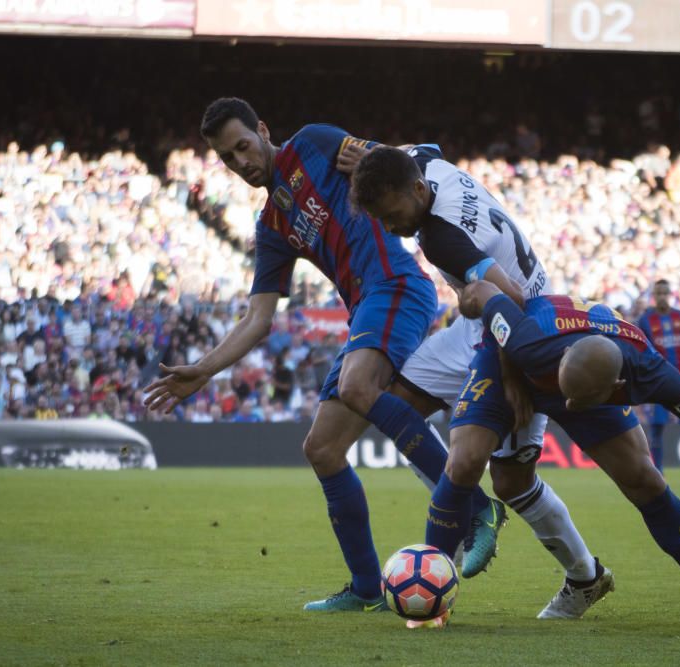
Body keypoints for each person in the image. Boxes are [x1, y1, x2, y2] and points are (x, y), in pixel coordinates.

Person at [142, 98, 504, 613]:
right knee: (322, 448)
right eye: (227, 157)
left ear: (263, 130)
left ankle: (475, 506)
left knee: (359, 387)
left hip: (397, 284)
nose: (241, 161)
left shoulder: (312, 142)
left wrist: (377, 153)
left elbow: (390, 165)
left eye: (243, 145)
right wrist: (204, 369)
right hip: (366, 310)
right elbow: (258, 318)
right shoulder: (271, 226)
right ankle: (363, 588)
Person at [417, 280, 680, 628]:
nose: (565, 408)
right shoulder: (529, 342)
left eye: (576, 401)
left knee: (645, 480)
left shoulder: (649, 370)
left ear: (618, 387)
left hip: (576, 372)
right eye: (563, 392)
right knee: (464, 461)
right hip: (516, 365)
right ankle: (431, 599)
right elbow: (484, 292)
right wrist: (507, 369)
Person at [349, 144, 608, 621]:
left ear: (417, 191)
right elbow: (417, 148)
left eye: (393, 215)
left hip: (519, 327)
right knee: (395, 408)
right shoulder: (426, 163)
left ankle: (585, 576)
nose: (391, 228)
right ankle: (474, 510)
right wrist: (361, 157)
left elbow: (507, 296)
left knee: (512, 482)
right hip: (476, 323)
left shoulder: (440, 238)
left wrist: (511, 372)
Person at [637, 279, 680, 485]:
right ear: (654, 296)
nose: (662, 297)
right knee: (657, 428)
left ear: (671, 294)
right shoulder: (645, 320)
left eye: (665, 293)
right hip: (658, 382)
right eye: (658, 293)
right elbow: (642, 352)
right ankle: (659, 473)